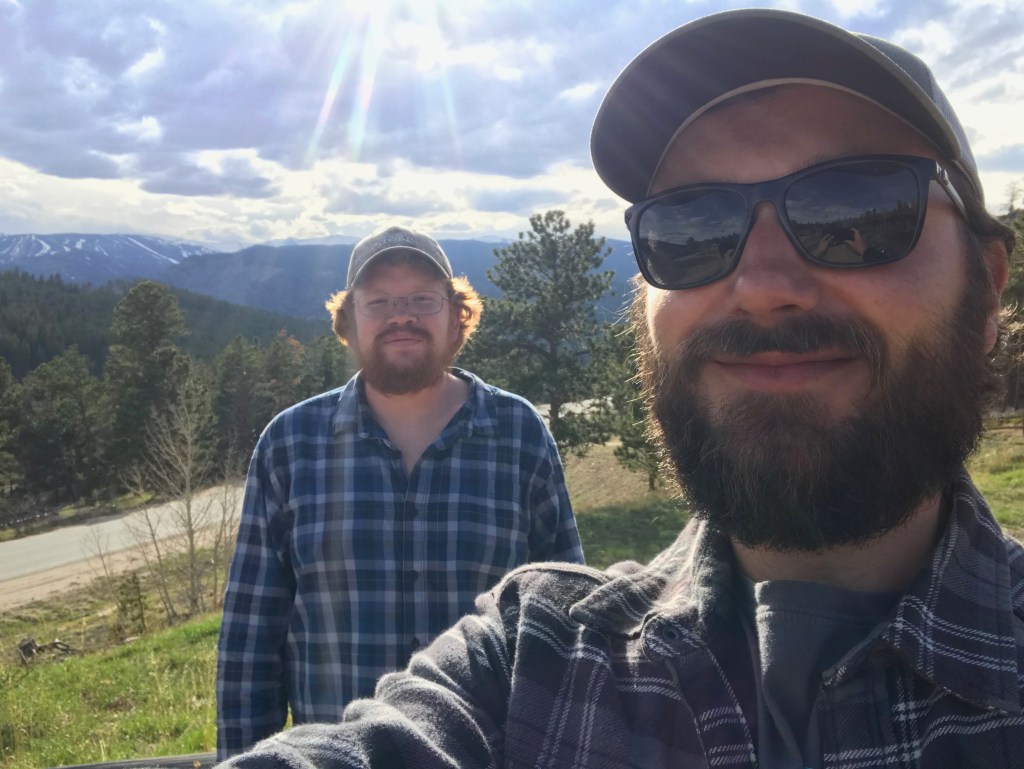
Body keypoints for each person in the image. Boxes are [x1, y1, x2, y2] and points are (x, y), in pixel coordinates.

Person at [217, 10, 1023, 768]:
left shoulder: (515, 432)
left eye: (858, 211)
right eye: (691, 228)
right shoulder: (533, 660)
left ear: (987, 289)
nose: (762, 285)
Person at [215, 224, 585, 758]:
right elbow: (250, 641)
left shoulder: (519, 433)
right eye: (379, 301)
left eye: (421, 299)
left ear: (457, 316)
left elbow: (567, 618)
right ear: (348, 321)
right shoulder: (289, 445)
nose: (401, 316)